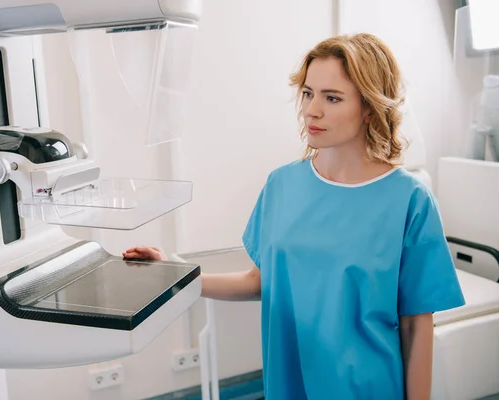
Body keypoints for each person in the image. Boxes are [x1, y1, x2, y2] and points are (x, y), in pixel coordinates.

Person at [123, 33, 465, 400]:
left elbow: (417, 325)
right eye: (307, 93)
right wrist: (176, 275)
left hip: (368, 388)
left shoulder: (409, 199)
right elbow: (260, 281)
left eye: (331, 98)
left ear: (369, 106)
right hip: (289, 386)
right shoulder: (282, 184)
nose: (312, 110)